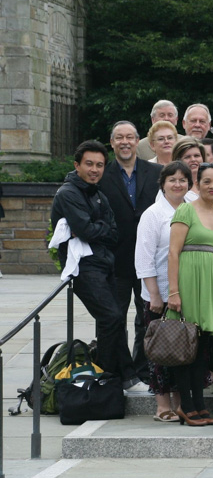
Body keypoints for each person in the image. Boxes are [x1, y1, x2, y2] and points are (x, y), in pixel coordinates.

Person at [51, 141, 139, 387]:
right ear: (77, 165)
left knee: (113, 320)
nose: (95, 169)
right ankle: (107, 377)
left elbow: (113, 233)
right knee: (111, 318)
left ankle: (125, 375)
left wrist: (92, 228)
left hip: (104, 263)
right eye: (89, 164)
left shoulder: (98, 194)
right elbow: (86, 229)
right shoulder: (68, 193)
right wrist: (93, 228)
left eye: (100, 165)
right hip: (83, 267)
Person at [167, 163, 213, 426]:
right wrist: (174, 292)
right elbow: (173, 252)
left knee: (203, 347)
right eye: (207, 181)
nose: (212, 186)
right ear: (198, 184)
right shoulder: (186, 209)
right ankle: (186, 405)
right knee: (188, 347)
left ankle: (198, 404)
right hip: (190, 281)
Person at [99, 121, 161, 384]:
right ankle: (117, 371)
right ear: (112, 143)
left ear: (138, 142)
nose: (125, 142)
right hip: (116, 260)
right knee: (114, 318)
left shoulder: (157, 172)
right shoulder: (101, 175)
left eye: (130, 137)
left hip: (149, 260)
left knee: (147, 318)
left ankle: (144, 369)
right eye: (119, 137)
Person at [134, 161, 191, 421]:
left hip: (188, 293)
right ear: (163, 183)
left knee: (183, 351)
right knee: (160, 352)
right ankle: (162, 406)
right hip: (160, 295)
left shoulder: (193, 210)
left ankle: (180, 403)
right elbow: (144, 258)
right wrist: (154, 294)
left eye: (182, 179)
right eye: (172, 180)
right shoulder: (153, 214)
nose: (178, 184)